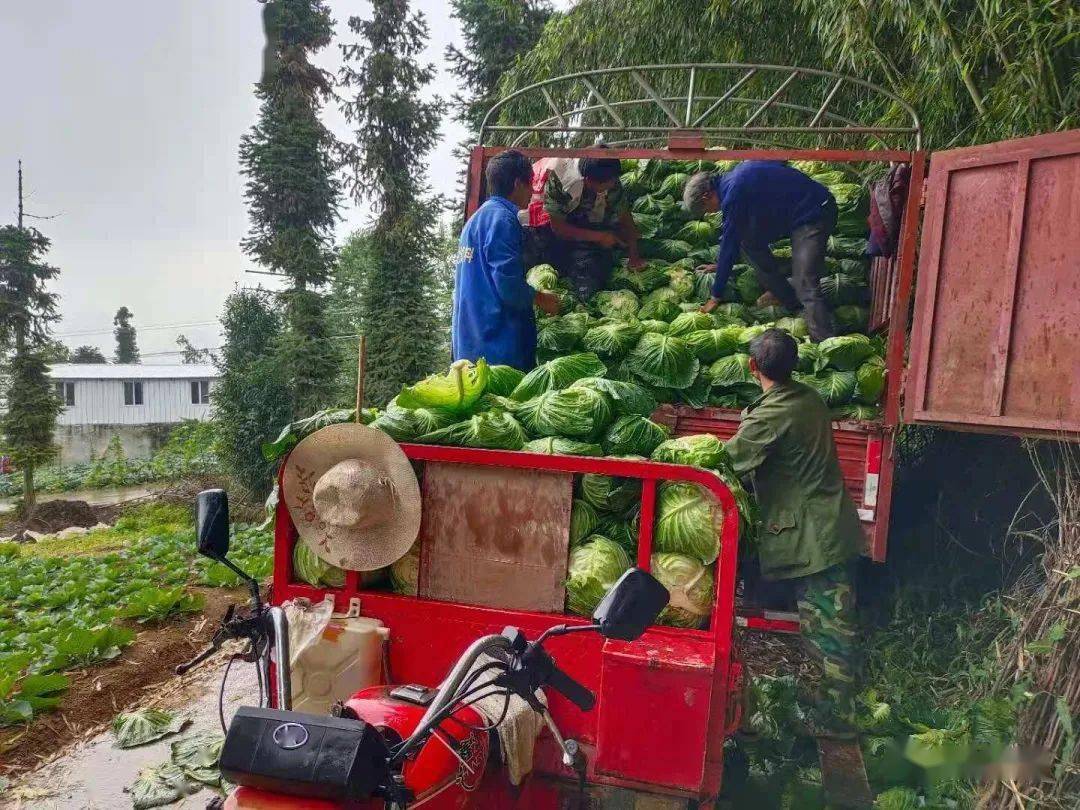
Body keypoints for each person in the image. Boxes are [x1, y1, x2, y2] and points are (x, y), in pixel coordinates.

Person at [724, 329, 864, 736]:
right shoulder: (808, 398)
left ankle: (840, 719)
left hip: (819, 535)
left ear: (752, 366)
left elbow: (732, 458)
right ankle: (829, 704)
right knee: (824, 625)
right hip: (827, 523)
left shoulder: (775, 412)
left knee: (829, 629)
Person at [684, 162, 838, 342]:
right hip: (792, 215)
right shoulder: (734, 180)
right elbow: (734, 237)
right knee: (748, 242)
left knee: (805, 281)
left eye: (706, 209)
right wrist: (720, 266)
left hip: (815, 213)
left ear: (706, 195)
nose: (710, 213)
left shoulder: (734, 192)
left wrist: (715, 295)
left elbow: (729, 242)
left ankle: (825, 341)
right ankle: (789, 299)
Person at [452, 149, 561, 371]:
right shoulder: (503, 220)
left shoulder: (476, 220)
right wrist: (542, 299)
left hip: (471, 341)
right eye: (529, 183)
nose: (532, 191)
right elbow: (508, 285)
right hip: (497, 346)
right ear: (516, 184)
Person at [522, 151, 644, 302]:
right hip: (538, 220)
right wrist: (600, 237)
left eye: (613, 182)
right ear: (589, 181)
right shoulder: (561, 179)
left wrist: (634, 255)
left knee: (591, 263)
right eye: (606, 185)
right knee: (545, 258)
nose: (612, 186)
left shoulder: (609, 179)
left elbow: (625, 216)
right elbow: (558, 228)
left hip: (573, 214)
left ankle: (580, 300)